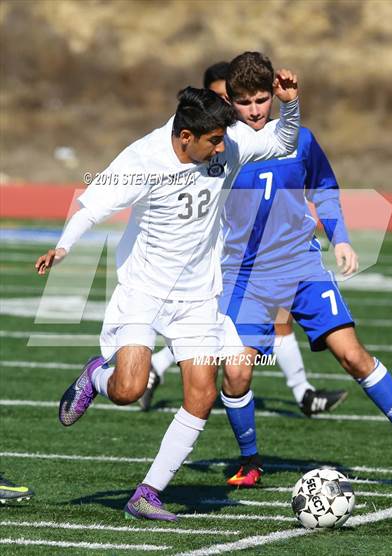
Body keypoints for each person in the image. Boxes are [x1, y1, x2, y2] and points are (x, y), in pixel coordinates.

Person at [35, 70, 300, 521]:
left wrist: (290, 104)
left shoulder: (226, 145)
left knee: (201, 394)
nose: (222, 149)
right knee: (128, 389)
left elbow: (283, 142)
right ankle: (96, 377)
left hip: (199, 297)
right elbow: (91, 205)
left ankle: (147, 493)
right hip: (143, 291)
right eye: (213, 141)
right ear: (184, 137)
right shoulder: (142, 159)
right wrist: (63, 245)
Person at [219, 51, 392, 487]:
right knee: (235, 372)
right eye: (244, 102)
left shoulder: (301, 140)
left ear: (272, 96)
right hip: (243, 275)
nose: (254, 111)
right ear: (230, 100)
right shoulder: (223, 146)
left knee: (353, 356)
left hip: (301, 265)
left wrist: (340, 236)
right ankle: (250, 461)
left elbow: (325, 189)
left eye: (260, 100)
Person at [140, 61, 348, 418]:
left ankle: (302, 392)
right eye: (225, 99)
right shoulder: (212, 147)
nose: (240, 111)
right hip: (221, 254)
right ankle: (300, 394)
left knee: (267, 322)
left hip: (255, 254)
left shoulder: (249, 141)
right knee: (216, 333)